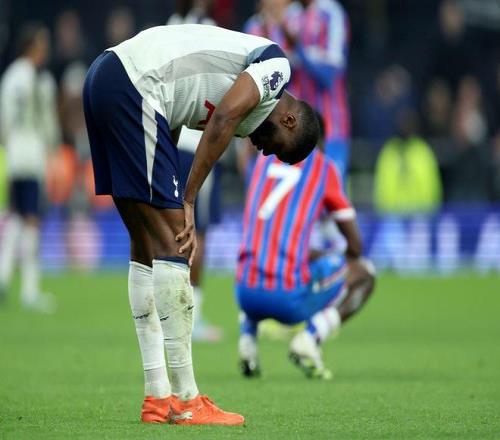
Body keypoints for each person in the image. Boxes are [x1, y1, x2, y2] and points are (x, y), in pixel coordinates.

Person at [83, 24, 319, 425]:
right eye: (276, 148)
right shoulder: (276, 67)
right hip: (135, 86)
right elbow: (222, 117)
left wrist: (170, 181)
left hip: (105, 78)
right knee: (176, 243)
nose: (265, 153)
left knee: (145, 244)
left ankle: (157, 398)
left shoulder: (245, 109)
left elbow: (177, 116)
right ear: (290, 120)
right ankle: (187, 400)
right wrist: (187, 199)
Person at [236, 114, 375, 379]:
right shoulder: (322, 167)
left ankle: (247, 340)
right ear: (319, 140)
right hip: (287, 300)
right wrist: (336, 259)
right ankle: (310, 338)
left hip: (244, 293)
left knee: (259, 255)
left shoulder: (263, 160)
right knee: (365, 272)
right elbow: (355, 245)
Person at [166, 0, 223, 342]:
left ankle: (168, 314)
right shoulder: (211, 32)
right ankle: (193, 318)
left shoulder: (168, 28)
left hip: (170, 140)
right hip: (199, 144)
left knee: (169, 231)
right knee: (197, 231)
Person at [0, 23, 59, 312]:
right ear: (32, 46)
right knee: (32, 218)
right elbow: (47, 123)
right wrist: (51, 149)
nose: (45, 49)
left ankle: (3, 276)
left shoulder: (12, 76)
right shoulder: (40, 79)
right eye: (42, 43)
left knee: (17, 215)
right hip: (32, 154)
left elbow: (4, 119)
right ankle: (30, 289)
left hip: (14, 154)